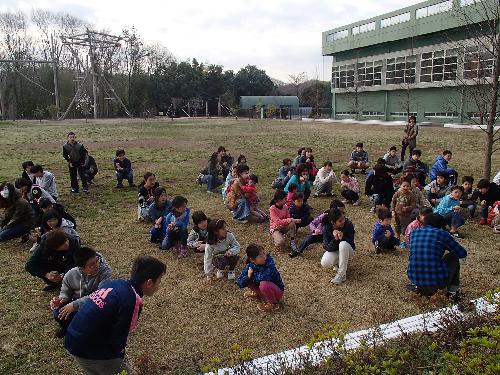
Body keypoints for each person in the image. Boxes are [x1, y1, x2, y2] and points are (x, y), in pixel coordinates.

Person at [64, 256, 166, 375]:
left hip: (74, 338)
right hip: (89, 349)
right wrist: (119, 357)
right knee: (121, 371)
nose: (159, 285)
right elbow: (120, 335)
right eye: (159, 281)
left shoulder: (116, 283)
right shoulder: (132, 300)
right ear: (149, 283)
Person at [50, 247, 112, 338]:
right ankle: (68, 328)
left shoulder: (105, 271)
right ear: (82, 268)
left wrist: (75, 305)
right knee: (58, 312)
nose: (97, 265)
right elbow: (65, 291)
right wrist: (61, 300)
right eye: (91, 265)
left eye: (97, 261)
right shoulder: (71, 274)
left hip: (97, 305)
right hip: (79, 301)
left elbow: (101, 295)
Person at [407, 213, 467, 301]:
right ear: (440, 225)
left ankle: (417, 287)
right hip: (436, 281)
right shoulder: (442, 234)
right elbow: (462, 253)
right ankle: (452, 293)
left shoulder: (414, 233)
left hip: (414, 279)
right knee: (453, 256)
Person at [236, 244, 284, 312]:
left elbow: (264, 277)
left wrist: (250, 276)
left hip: (277, 293)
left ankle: (273, 304)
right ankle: (257, 293)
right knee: (247, 280)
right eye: (261, 256)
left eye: (264, 253)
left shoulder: (269, 263)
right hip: (263, 291)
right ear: (252, 260)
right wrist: (248, 276)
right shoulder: (250, 265)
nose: (264, 257)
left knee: (264, 284)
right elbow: (239, 282)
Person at [321, 208, 356, 284]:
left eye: (343, 218)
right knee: (325, 262)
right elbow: (327, 247)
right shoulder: (327, 228)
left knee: (343, 244)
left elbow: (352, 244)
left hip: (348, 249)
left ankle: (341, 274)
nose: (343, 221)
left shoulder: (348, 224)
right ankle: (338, 263)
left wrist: (343, 237)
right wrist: (335, 239)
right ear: (333, 222)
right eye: (340, 221)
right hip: (336, 250)